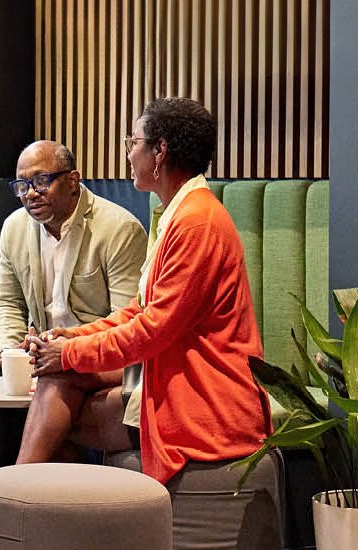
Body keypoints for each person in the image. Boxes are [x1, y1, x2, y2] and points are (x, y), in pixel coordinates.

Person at [0, 140, 146, 542]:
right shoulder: (16, 227)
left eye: (41, 181)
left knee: (62, 376)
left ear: (72, 181)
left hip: (94, 354)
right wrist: (7, 353)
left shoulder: (118, 229)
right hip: (39, 348)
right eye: (21, 185)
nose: (30, 193)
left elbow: (125, 324)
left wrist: (65, 350)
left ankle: (8, 508)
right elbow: (4, 301)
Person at [29, 97, 270, 485]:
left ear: (159, 151)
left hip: (205, 401)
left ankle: (10, 517)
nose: (128, 153)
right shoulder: (178, 212)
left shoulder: (195, 223)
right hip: (175, 383)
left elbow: (154, 329)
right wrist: (67, 338)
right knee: (57, 388)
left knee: (57, 400)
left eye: (133, 142)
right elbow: (139, 311)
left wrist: (70, 352)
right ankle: (36, 524)